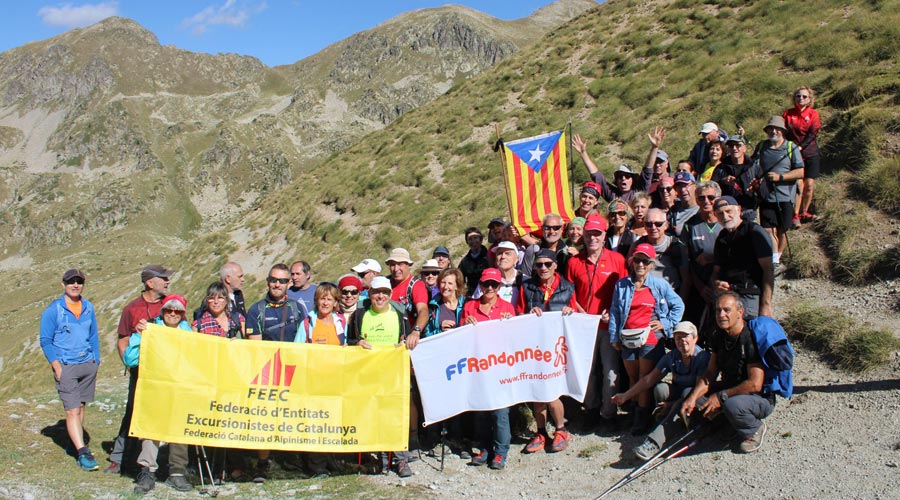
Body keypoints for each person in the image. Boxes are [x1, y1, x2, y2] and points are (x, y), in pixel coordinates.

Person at [680, 292, 774, 454]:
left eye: (726, 310)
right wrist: (693, 398)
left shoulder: (750, 339)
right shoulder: (719, 336)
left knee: (732, 405)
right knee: (689, 393)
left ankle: (754, 428)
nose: (721, 315)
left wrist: (721, 396)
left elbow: (755, 383)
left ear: (740, 312)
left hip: (759, 398)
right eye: (718, 310)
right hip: (731, 390)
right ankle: (726, 423)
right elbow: (710, 372)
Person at [608, 243, 685, 434]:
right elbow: (616, 311)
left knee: (644, 378)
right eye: (637, 260)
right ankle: (637, 413)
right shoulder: (622, 285)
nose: (640, 265)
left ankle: (641, 418)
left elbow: (679, 305)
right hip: (628, 337)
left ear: (651, 264)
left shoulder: (659, 285)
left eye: (645, 261)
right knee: (633, 377)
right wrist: (614, 336)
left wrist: (665, 323)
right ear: (632, 262)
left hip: (650, 337)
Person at [107, 265, 173, 474]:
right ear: (149, 283)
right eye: (163, 278)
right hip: (142, 371)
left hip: (166, 372)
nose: (167, 282)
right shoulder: (132, 308)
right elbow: (122, 339)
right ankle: (119, 459)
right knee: (133, 412)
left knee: (164, 412)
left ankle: (156, 461)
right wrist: (129, 363)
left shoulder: (170, 306)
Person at [245, 263, 308, 482]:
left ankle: (292, 457)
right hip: (267, 370)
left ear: (289, 283)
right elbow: (255, 346)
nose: (277, 284)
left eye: (282, 281)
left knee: (293, 415)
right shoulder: (256, 310)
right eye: (273, 280)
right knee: (265, 417)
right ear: (268, 281)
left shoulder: (298, 308)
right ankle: (262, 464)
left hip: (293, 369)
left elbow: (305, 337)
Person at [346, 276, 413, 477]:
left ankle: (400, 459)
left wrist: (404, 347)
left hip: (393, 374)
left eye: (384, 292)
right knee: (369, 413)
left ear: (390, 295)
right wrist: (357, 343)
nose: (380, 296)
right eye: (376, 292)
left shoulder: (400, 315)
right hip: (367, 374)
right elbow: (350, 340)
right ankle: (371, 457)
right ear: (370, 294)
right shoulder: (359, 315)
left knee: (395, 415)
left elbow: (408, 340)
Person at [615, 321, 711, 461]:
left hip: (695, 397)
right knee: (661, 389)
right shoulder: (672, 357)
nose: (682, 341)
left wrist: (671, 405)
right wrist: (625, 396)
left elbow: (699, 388)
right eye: (678, 337)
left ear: (695, 338)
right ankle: (667, 419)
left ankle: (655, 441)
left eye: (686, 336)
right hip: (680, 394)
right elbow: (648, 379)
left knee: (687, 394)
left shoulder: (702, 357)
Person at [565, 217, 628, 427]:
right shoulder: (574, 262)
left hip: (608, 326)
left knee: (611, 372)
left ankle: (608, 413)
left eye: (597, 234)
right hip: (583, 327)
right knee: (587, 371)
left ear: (604, 236)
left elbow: (625, 291)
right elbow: (569, 293)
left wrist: (613, 311)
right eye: (589, 233)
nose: (593, 238)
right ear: (583, 235)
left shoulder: (617, 260)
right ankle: (591, 409)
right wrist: (580, 312)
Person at [39, 269, 100, 472]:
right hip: (66, 366)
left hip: (87, 364)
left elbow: (93, 336)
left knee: (81, 407)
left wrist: (96, 360)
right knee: (72, 409)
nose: (75, 285)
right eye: (71, 282)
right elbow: (46, 340)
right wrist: (57, 366)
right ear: (63, 285)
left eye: (79, 282)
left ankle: (74, 444)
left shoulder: (88, 307)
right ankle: (83, 453)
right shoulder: (54, 310)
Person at [516, 249, 576, 454]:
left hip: (557, 347)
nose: (543, 268)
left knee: (552, 390)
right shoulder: (527, 287)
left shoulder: (568, 287)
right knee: (537, 390)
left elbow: (576, 312)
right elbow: (518, 313)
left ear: (555, 266)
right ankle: (541, 432)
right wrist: (528, 313)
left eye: (547, 264)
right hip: (534, 347)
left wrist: (570, 312)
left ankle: (561, 429)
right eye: (539, 264)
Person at [132, 294, 193, 494]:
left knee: (180, 427)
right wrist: (140, 337)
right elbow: (130, 358)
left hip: (180, 387)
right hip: (156, 386)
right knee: (151, 427)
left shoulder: (189, 333)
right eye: (169, 310)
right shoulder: (149, 328)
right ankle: (147, 471)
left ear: (183, 314)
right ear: (163, 311)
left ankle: (177, 472)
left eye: (177, 311)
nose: (173, 314)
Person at [462, 268, 516, 470]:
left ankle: (501, 452)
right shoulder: (470, 306)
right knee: (482, 412)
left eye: (494, 284)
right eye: (486, 284)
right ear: (481, 285)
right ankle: (484, 449)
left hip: (500, 367)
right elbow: (461, 337)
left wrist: (509, 323)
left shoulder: (507, 308)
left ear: (500, 286)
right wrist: (464, 323)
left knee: (500, 413)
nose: (490, 288)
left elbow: (514, 337)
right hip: (478, 367)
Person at [423, 268, 471, 459]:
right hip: (440, 360)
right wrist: (439, 330)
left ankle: (458, 438)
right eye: (443, 282)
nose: (445, 286)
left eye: (450, 283)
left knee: (460, 399)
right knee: (440, 398)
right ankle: (436, 439)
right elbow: (426, 335)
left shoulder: (467, 304)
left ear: (458, 286)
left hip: (462, 360)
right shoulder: (433, 306)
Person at [751, 115, 804, 272]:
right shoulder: (761, 147)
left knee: (782, 230)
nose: (773, 131)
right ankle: (773, 259)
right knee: (767, 229)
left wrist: (781, 177)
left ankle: (777, 257)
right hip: (766, 196)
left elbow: (800, 171)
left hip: (785, 196)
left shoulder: (791, 148)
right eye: (770, 129)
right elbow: (753, 166)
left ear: (782, 131)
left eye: (777, 129)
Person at [710, 196, 775, 318]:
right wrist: (716, 283)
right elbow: (716, 272)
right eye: (720, 213)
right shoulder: (721, 238)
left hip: (750, 296)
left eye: (728, 211)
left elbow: (768, 269)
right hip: (727, 296)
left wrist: (766, 305)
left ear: (739, 210)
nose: (725, 216)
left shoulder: (754, 232)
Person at [681, 181, 724, 332]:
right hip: (698, 287)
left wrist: (712, 258)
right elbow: (687, 263)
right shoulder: (689, 226)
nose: (706, 201)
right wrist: (700, 287)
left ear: (718, 197)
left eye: (710, 197)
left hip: (723, 287)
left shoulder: (727, 222)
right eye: (701, 198)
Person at [572, 134, 651, 203]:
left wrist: (654, 148)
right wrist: (583, 153)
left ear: (632, 179)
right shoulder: (612, 194)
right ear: (616, 180)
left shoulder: (639, 192)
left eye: (627, 176)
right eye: (620, 176)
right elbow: (597, 176)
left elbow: (647, 171)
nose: (623, 178)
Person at [783, 86, 822, 224]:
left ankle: (804, 211)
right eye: (798, 96)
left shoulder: (813, 114)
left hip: (810, 152)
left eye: (804, 96)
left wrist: (801, 146)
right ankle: (795, 215)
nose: (801, 99)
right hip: (794, 153)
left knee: (809, 184)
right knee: (799, 184)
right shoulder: (788, 114)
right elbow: (785, 133)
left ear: (809, 99)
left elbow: (813, 133)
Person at [633, 208, 690, 299]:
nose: (653, 228)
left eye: (658, 224)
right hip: (644, 299)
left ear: (666, 225)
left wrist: (680, 305)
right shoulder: (638, 245)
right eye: (649, 224)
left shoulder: (675, 246)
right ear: (644, 225)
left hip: (669, 298)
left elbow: (686, 279)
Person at [713, 134, 758, 222]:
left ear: (745, 148)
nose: (734, 148)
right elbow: (713, 187)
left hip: (748, 210)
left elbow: (764, 191)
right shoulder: (721, 168)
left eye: (738, 145)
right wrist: (723, 182)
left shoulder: (754, 167)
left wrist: (757, 187)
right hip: (728, 211)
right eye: (731, 146)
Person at [472, 240, 522, 305]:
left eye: (508, 253)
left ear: (516, 259)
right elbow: (474, 305)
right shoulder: (486, 280)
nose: (503, 257)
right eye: (500, 253)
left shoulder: (524, 280)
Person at [521, 213, 570, 277]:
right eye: (547, 228)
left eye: (556, 228)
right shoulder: (533, 250)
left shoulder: (567, 252)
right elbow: (525, 277)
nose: (551, 231)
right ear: (542, 229)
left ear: (561, 229)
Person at [458, 227, 491, 297]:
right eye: (470, 239)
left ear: (481, 239)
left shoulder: (490, 257)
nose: (473, 241)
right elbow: (459, 279)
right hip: (472, 296)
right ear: (467, 242)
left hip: (489, 293)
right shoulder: (464, 262)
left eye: (475, 237)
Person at [669, 172, 700, 237]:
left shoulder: (702, 209)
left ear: (695, 187)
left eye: (686, 185)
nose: (683, 190)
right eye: (679, 186)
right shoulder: (672, 211)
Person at [641, 126, 670, 195]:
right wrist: (654, 147)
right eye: (655, 162)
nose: (657, 165)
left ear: (667, 163)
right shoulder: (647, 181)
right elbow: (647, 169)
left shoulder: (674, 179)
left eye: (660, 162)